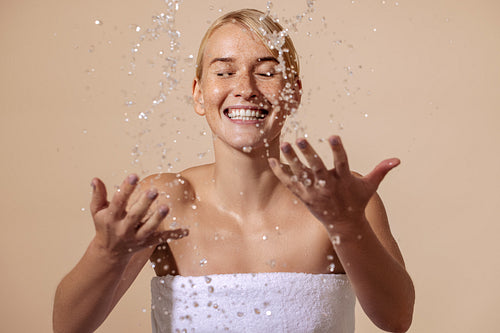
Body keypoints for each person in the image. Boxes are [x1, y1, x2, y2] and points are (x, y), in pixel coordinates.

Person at [53, 8, 414, 333]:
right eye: (225, 72)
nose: (245, 88)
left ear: (293, 92)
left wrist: (348, 227)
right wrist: (106, 252)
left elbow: (397, 319)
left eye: (267, 72)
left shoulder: (341, 201)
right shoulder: (163, 201)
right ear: (198, 94)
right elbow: (68, 326)